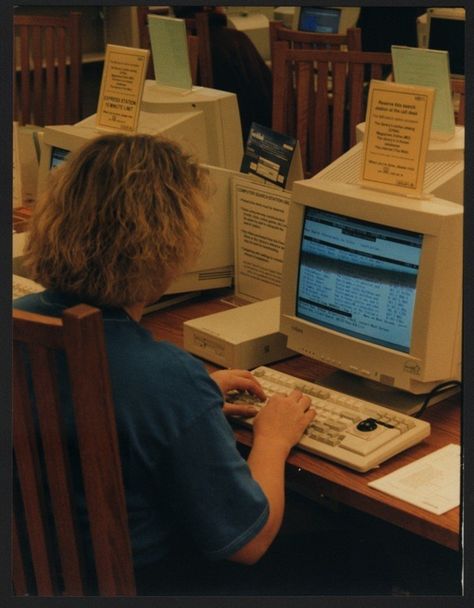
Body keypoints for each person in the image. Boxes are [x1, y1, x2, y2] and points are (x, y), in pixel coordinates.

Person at [14, 133, 316, 594]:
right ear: (166, 244)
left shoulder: (23, 325)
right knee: (349, 546)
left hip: (34, 576)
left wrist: (190, 404)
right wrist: (272, 440)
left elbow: (101, 408)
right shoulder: (164, 376)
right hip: (150, 583)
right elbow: (249, 543)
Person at [173, 6, 273, 142]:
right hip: (241, 141)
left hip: (188, 137)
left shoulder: (170, 42)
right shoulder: (235, 41)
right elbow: (266, 100)